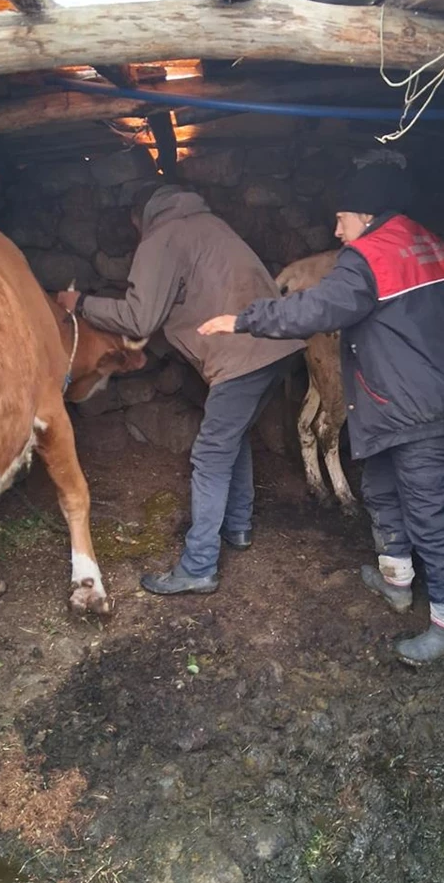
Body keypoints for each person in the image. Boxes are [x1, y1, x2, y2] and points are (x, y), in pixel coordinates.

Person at [198, 162, 444, 665]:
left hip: (415, 405)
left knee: (430, 513)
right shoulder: (435, 247)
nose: (336, 231)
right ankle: (396, 580)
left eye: (341, 217)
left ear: (366, 215)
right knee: (380, 485)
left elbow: (318, 309)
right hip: (434, 393)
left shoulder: (369, 256)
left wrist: (243, 319)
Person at [57, 181, 304, 595]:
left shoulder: (162, 237)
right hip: (278, 347)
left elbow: (140, 318)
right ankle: (238, 526)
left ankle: (199, 566)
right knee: (233, 437)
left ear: (140, 217)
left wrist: (79, 304)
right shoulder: (209, 224)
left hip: (241, 355)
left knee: (209, 456)